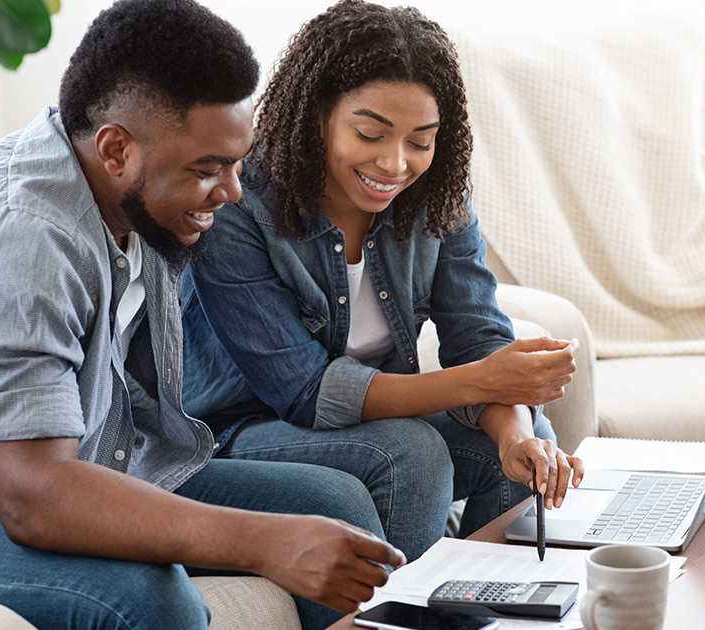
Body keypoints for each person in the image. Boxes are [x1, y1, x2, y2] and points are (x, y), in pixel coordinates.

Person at [0, 1, 403, 629]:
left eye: (238, 162)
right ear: (115, 149)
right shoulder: (19, 238)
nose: (234, 190)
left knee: (336, 500)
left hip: (85, 462)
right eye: (209, 170)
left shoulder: (135, 197)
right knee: (144, 597)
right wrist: (265, 541)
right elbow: (33, 495)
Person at [181, 0, 585, 563]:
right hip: (239, 431)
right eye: (371, 133)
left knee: (520, 442)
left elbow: (477, 337)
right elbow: (304, 392)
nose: (396, 165)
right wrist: (482, 380)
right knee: (412, 454)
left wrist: (517, 429)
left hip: (358, 425)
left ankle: (494, 611)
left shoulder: (437, 201)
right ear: (318, 112)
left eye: (420, 142)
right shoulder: (240, 204)